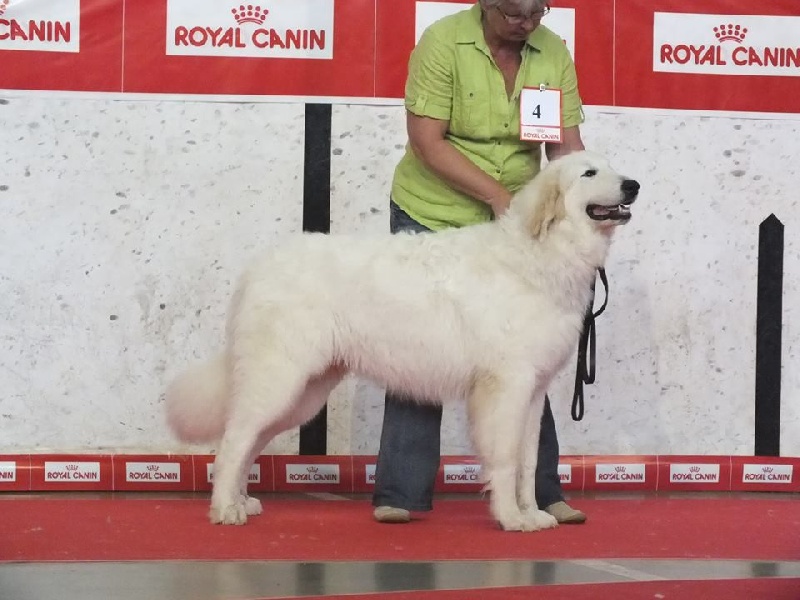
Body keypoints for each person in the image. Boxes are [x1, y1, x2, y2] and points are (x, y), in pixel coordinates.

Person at [371, 0, 588, 525]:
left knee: (524, 352)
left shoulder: (551, 49)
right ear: (488, 5)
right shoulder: (443, 42)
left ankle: (538, 489)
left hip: (515, 220)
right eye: (516, 14)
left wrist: (584, 198)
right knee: (420, 348)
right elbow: (426, 142)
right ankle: (401, 492)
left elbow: (565, 147)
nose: (529, 23)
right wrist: (495, 195)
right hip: (434, 210)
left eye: (538, 12)